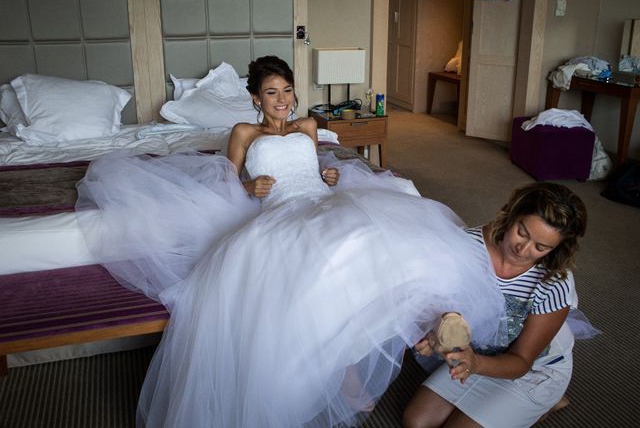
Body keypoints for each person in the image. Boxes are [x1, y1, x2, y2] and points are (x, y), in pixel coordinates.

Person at [76, 56, 509, 428]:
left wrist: (330, 175)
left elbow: (317, 165)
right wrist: (250, 189)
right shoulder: (244, 133)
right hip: (281, 210)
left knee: (375, 237)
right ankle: (352, 369)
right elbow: (226, 182)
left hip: (323, 200)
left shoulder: (308, 125)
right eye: (271, 93)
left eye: (286, 90)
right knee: (317, 266)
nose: (282, 100)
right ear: (254, 99)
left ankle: (435, 323)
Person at [403, 182, 592, 428]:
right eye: (522, 232)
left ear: (556, 248)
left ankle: (543, 403)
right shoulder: (468, 245)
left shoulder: (555, 281)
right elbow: (445, 306)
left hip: (533, 370)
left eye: (540, 247)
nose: (522, 249)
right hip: (483, 353)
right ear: (512, 214)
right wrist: (431, 333)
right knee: (415, 422)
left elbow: (522, 361)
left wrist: (475, 364)